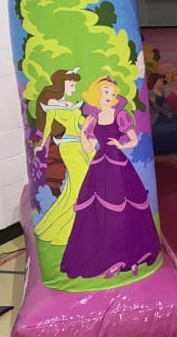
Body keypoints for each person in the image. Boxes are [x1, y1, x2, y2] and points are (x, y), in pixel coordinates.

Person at [60, 76, 161, 279]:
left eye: (113, 93)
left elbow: (133, 139)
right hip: (100, 166)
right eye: (106, 91)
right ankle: (108, 255)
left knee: (126, 206)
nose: (110, 95)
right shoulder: (92, 119)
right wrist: (83, 134)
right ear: (96, 92)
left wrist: (120, 144)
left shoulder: (120, 115)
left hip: (118, 165)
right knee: (100, 208)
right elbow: (88, 147)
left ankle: (130, 255)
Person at [33, 68, 92, 244]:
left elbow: (82, 123)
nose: (74, 87)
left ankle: (84, 223)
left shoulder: (70, 104)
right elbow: (47, 128)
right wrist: (40, 145)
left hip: (81, 145)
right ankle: (66, 228)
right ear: (62, 84)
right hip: (68, 146)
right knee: (80, 183)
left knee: (83, 183)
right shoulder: (52, 104)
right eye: (71, 83)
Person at [147, 72, 177, 154]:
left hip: (162, 109)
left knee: (173, 116)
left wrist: (170, 109)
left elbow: (163, 103)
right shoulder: (150, 92)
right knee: (164, 120)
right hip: (155, 112)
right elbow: (156, 106)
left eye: (162, 81)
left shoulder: (162, 90)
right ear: (155, 81)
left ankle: (175, 146)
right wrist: (166, 112)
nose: (162, 82)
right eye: (160, 81)